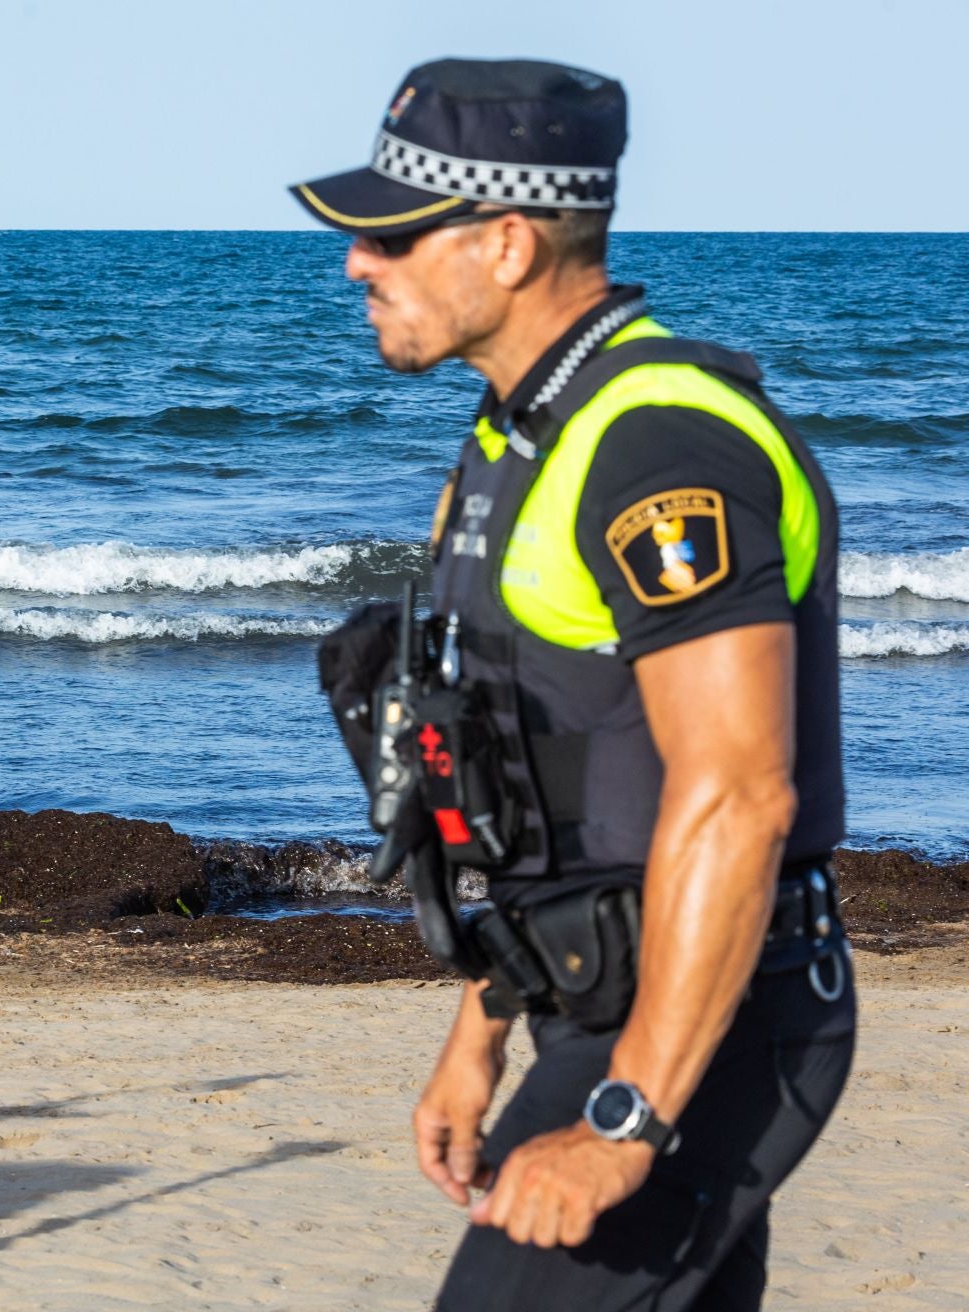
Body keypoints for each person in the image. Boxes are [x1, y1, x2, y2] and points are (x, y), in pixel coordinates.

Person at [295, 59, 854, 1309]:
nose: (356, 264)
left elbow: (739, 795)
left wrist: (624, 1118)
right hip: (591, 998)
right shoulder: (514, 438)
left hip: (712, 1016)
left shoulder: (660, 440)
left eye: (390, 233)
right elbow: (530, 779)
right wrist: (483, 1026)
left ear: (503, 244)